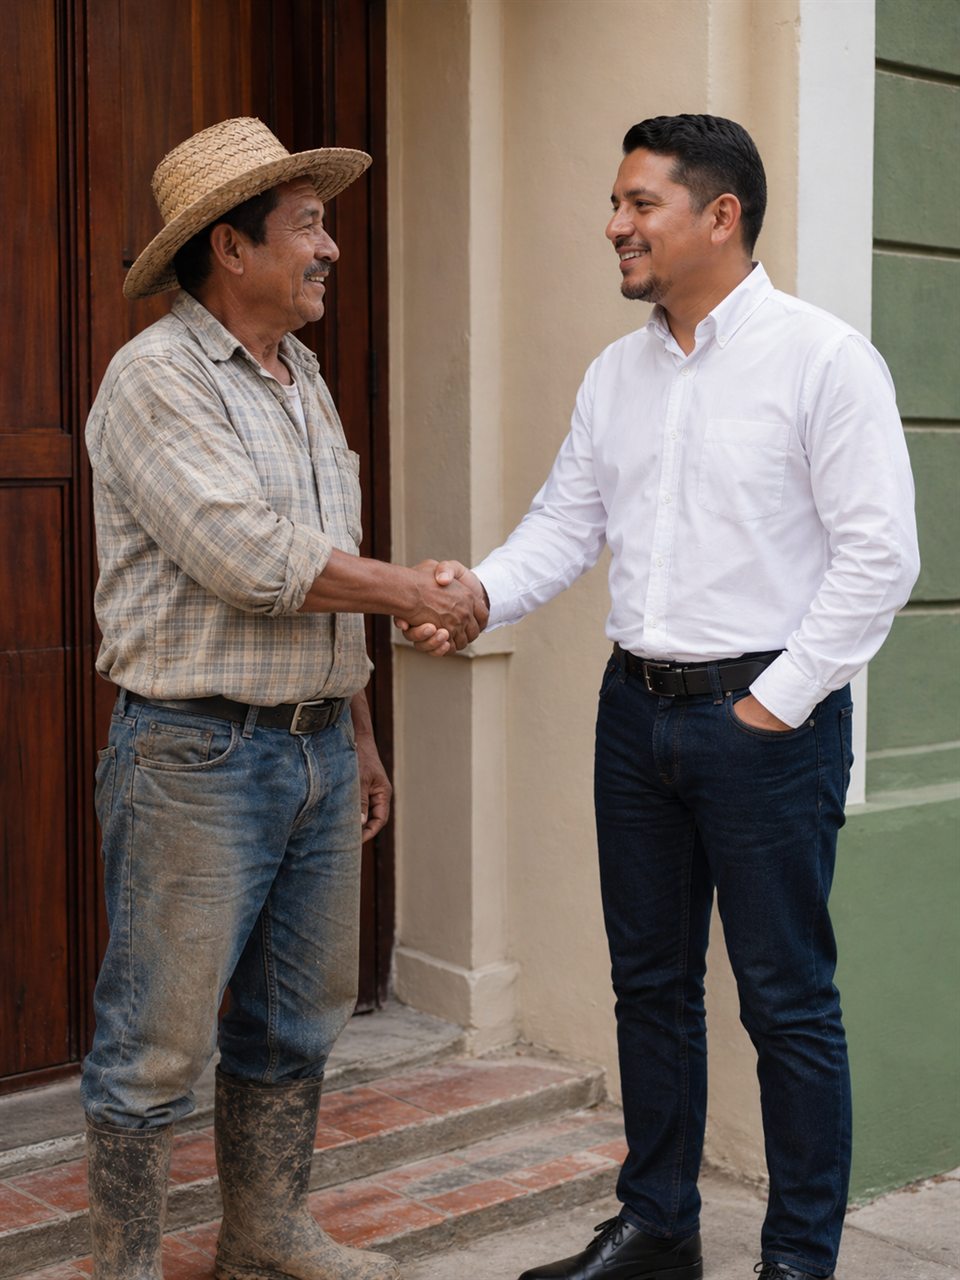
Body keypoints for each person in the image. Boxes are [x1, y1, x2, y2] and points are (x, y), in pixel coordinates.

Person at [400, 114, 919, 1280]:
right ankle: (660, 1226)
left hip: (765, 722)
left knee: (787, 1002)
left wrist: (774, 705)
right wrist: (477, 592)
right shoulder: (616, 372)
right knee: (651, 986)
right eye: (618, 202)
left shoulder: (822, 359)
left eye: (640, 203)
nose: (614, 224)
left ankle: (797, 1259)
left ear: (720, 215)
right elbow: (566, 526)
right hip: (633, 715)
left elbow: (880, 555)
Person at [82, 116, 485, 1280]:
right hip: (195, 756)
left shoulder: (300, 375)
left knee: (293, 1024)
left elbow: (324, 558)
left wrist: (356, 732)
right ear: (230, 247)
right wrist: (419, 585)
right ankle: (120, 1266)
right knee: (155, 1044)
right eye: (308, 225)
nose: (330, 250)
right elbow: (250, 555)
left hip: (311, 752)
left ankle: (262, 1229)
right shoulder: (154, 378)